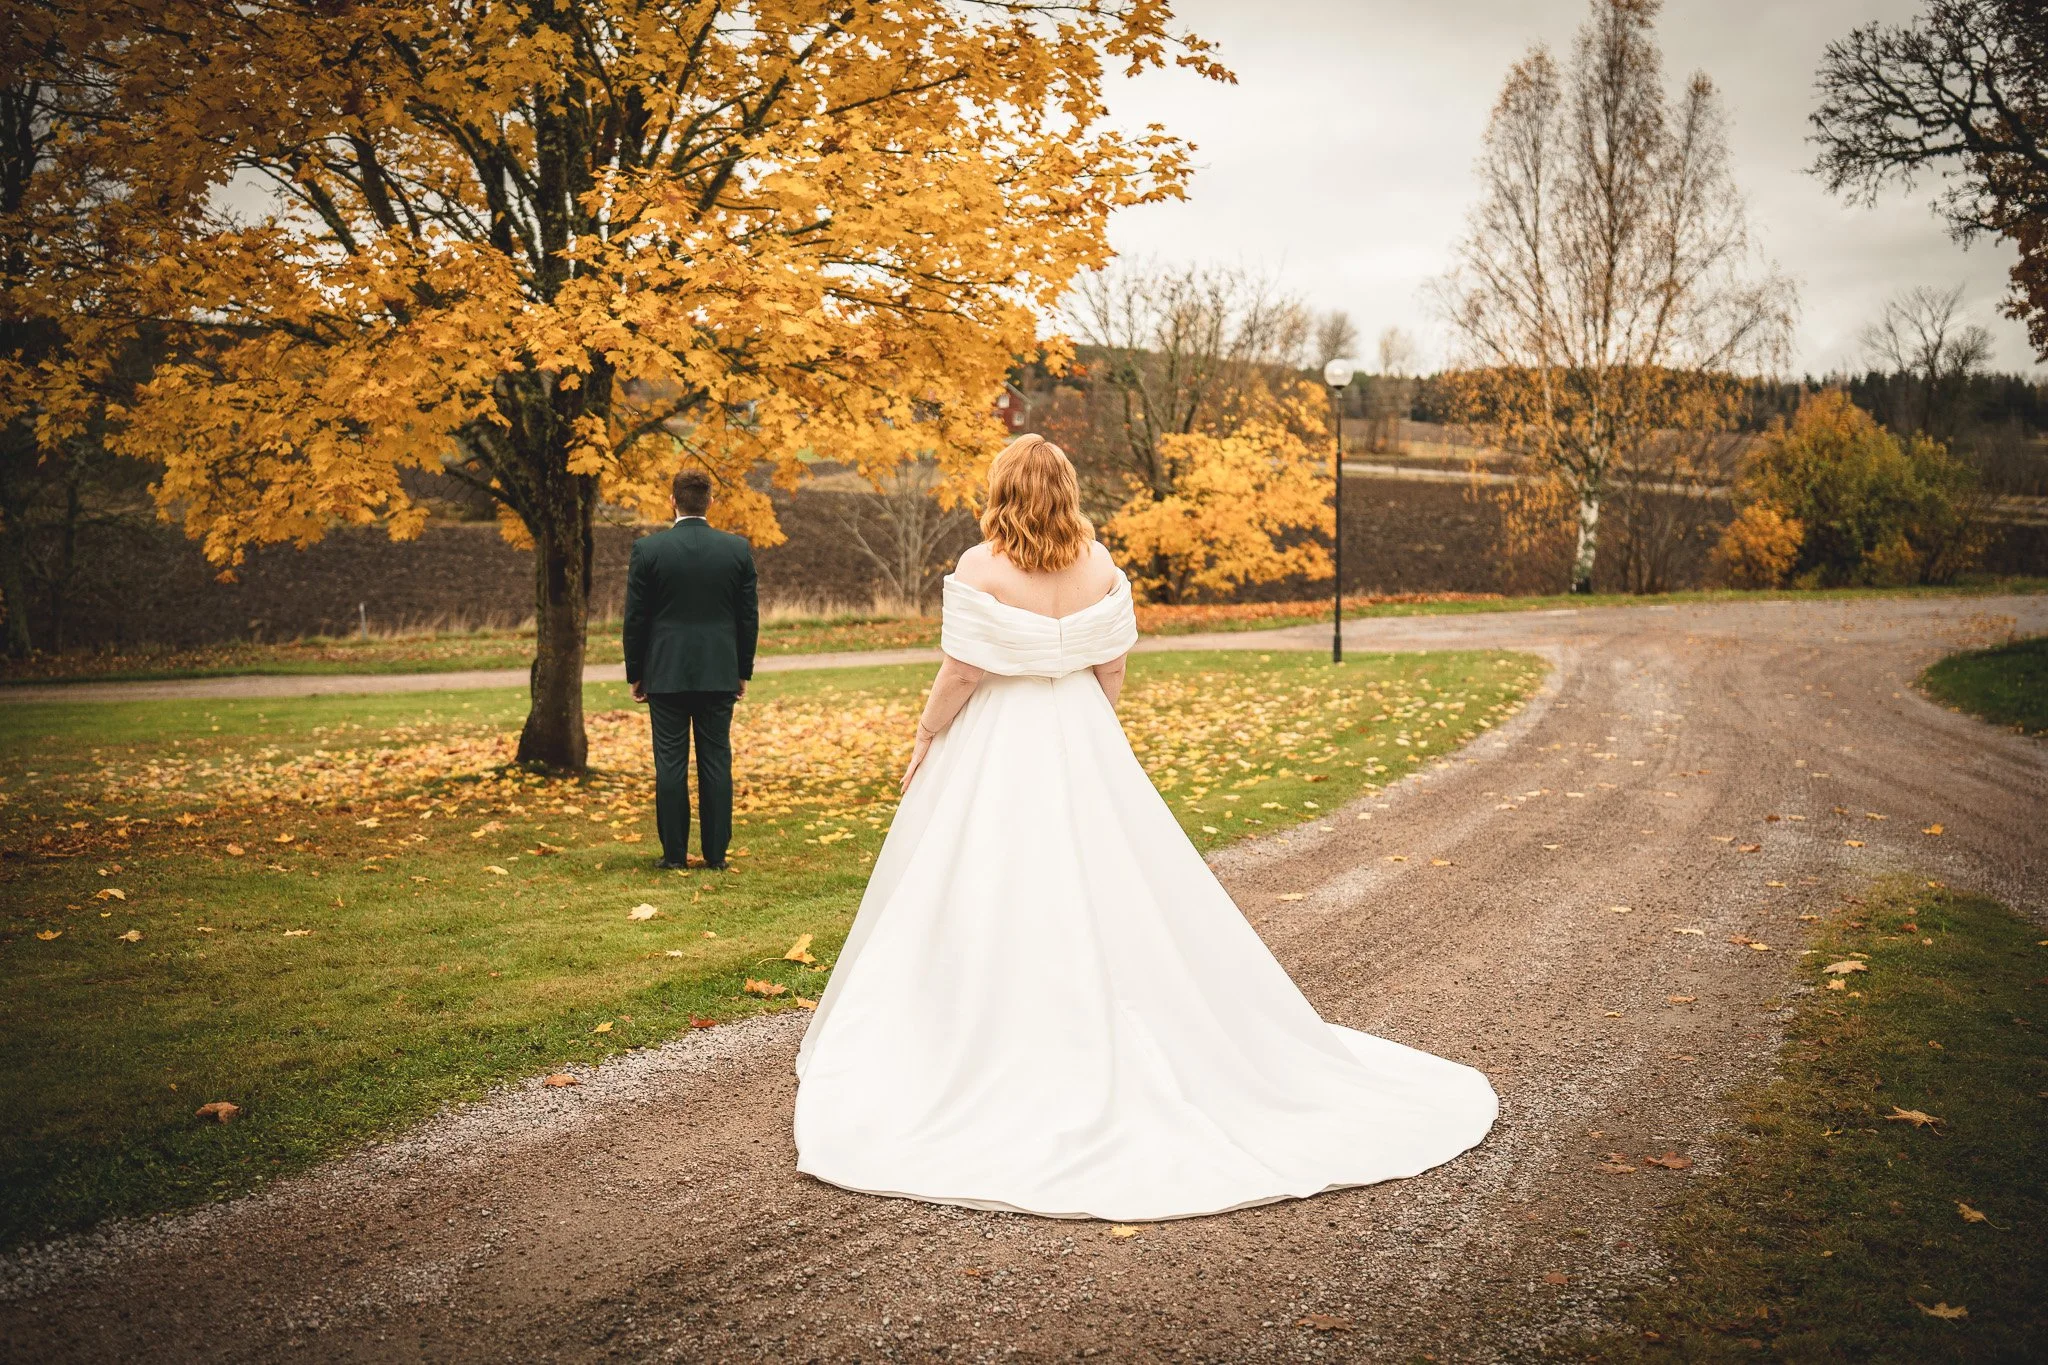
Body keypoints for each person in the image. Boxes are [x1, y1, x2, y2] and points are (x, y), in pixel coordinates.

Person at [792, 434, 1498, 1222]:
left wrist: (927, 736)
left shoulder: (979, 566)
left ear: (1001, 490)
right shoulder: (1099, 565)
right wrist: (1092, 732)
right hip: (1082, 725)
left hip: (1001, 736)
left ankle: (979, 1029)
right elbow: (1112, 667)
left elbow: (963, 671)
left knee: (989, 879)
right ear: (1065, 488)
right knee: (1110, 880)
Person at [622, 469, 759, 871]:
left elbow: (636, 618)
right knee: (717, 760)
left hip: (664, 672)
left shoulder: (648, 550)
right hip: (719, 671)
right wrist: (742, 670)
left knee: (670, 762)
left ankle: (674, 855)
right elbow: (747, 617)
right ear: (710, 502)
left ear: (672, 501)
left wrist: (636, 671)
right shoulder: (735, 549)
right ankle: (716, 855)